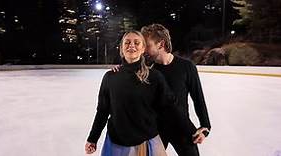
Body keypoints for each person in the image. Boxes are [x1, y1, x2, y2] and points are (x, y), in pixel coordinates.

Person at [113, 24, 211, 156]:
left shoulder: (187, 67)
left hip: (182, 128)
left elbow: (198, 98)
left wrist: (205, 125)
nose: (143, 49)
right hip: (155, 132)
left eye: (146, 45)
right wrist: (120, 70)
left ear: (160, 44)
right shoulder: (147, 72)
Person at [85, 30, 175, 156]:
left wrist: (189, 131)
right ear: (121, 49)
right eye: (127, 42)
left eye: (136, 43)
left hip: (147, 142)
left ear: (143, 48)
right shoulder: (110, 77)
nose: (131, 45)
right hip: (117, 143)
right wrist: (92, 138)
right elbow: (102, 111)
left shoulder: (154, 76)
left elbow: (169, 107)